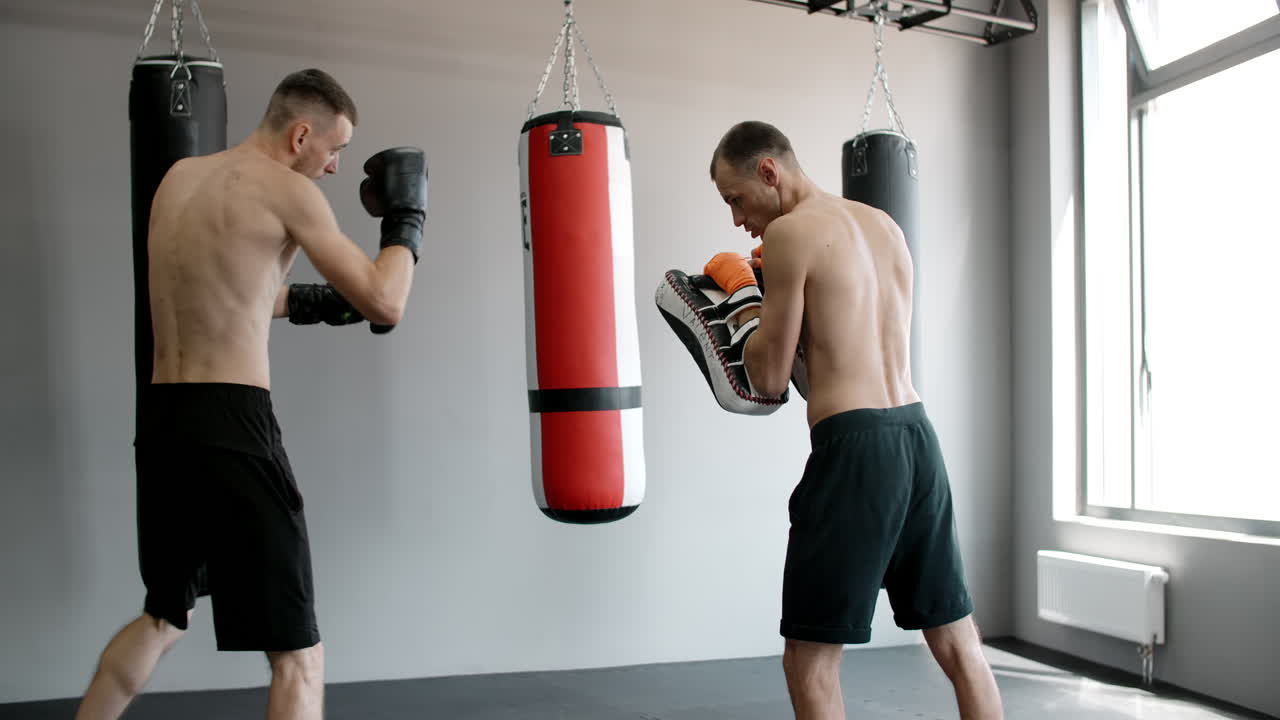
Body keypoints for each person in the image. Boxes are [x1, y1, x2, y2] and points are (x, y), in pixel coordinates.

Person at [75, 68, 428, 720]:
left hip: (162, 421)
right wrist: (408, 220)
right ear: (301, 135)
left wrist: (324, 304)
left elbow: (236, 297)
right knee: (299, 654)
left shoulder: (177, 180)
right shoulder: (288, 192)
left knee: (164, 615)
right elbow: (387, 299)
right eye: (334, 150)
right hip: (233, 424)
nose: (332, 167)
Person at [702, 121, 1003, 720]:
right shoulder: (884, 225)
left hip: (855, 450)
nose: (737, 220)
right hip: (918, 439)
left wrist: (744, 304)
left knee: (809, 662)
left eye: (736, 198)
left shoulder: (790, 235)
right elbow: (839, 349)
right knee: (958, 642)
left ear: (769, 171)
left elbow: (766, 378)